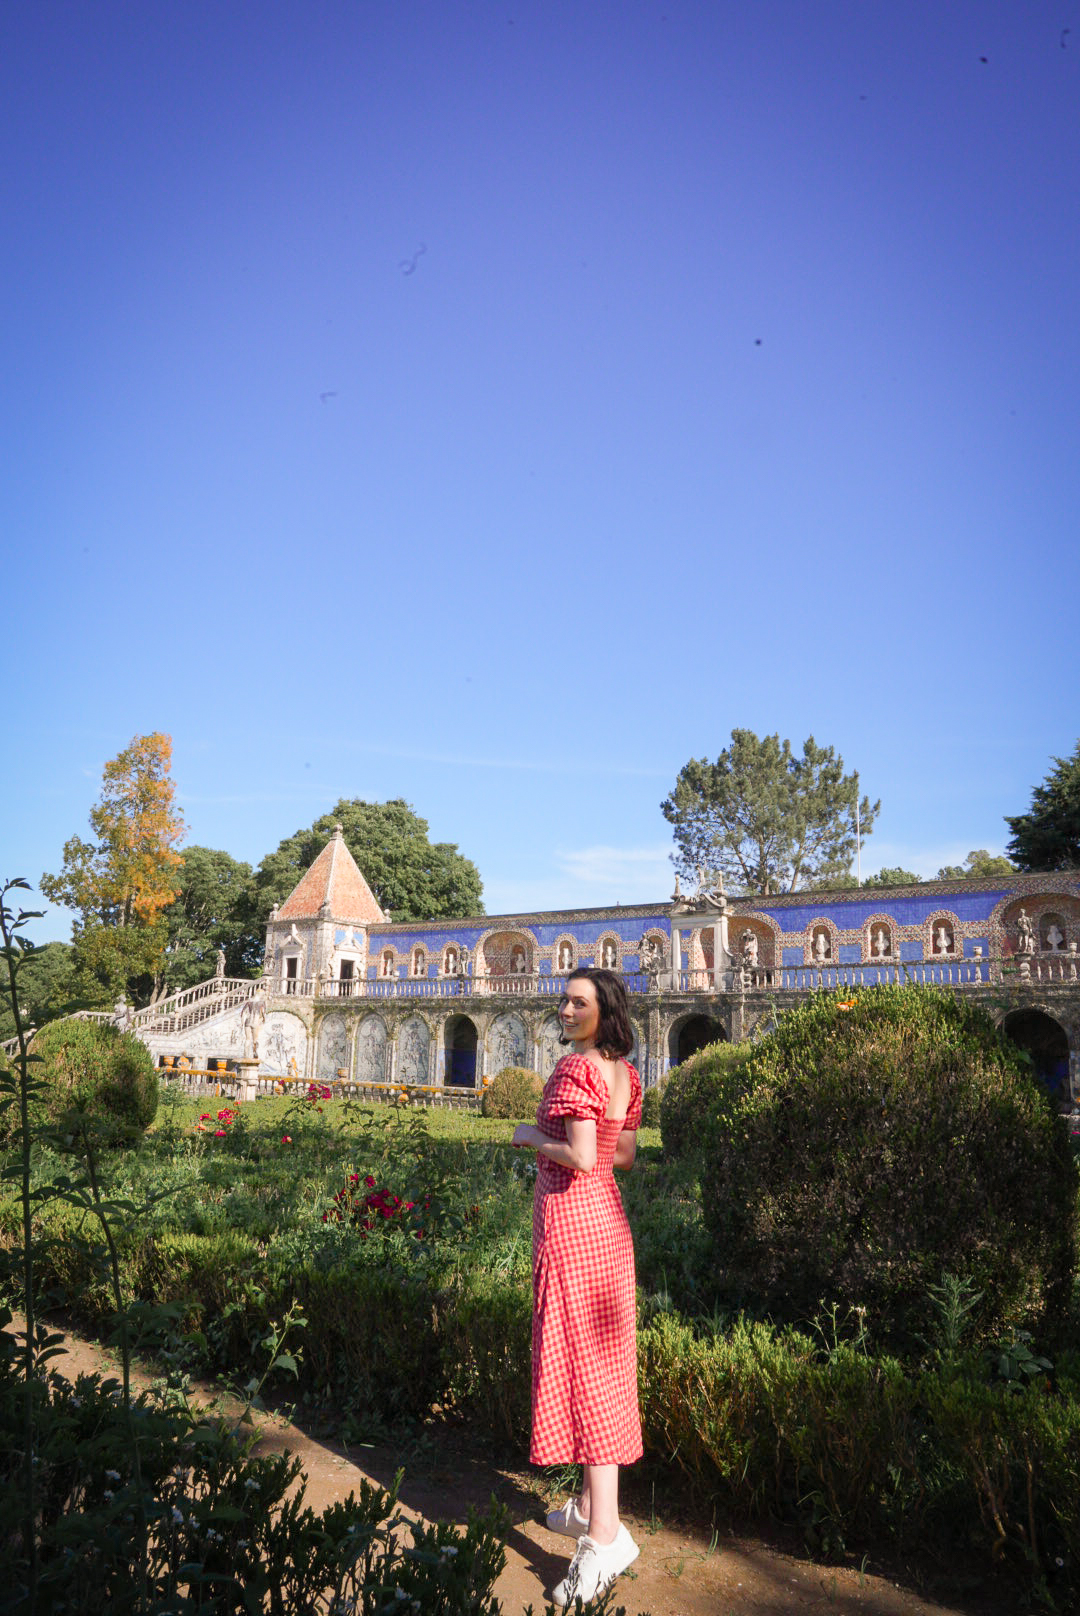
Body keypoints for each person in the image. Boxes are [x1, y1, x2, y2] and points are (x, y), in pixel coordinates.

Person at [511, 966, 642, 1607]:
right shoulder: (624, 1073)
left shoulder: (576, 1071)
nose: (565, 1009)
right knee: (604, 1366)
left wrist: (533, 1135)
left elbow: (584, 1157)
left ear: (603, 1012)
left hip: (573, 1228)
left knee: (584, 1372)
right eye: (564, 1000)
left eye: (578, 1003)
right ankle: (591, 1503)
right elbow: (622, 1156)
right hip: (609, 1227)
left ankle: (604, 1538)